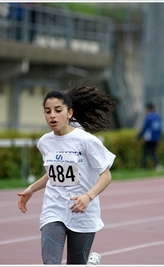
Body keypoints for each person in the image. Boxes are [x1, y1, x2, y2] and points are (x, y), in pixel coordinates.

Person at [17, 82, 117, 265]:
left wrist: (88, 197)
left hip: (82, 212)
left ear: (69, 113)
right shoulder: (44, 142)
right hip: (53, 209)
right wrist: (32, 189)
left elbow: (106, 175)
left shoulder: (86, 141)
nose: (52, 115)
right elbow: (53, 173)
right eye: (48, 111)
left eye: (57, 110)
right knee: (50, 262)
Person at [136, 103, 163, 171]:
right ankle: (157, 165)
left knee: (145, 152)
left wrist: (139, 136)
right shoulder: (158, 117)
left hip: (150, 138)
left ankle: (143, 167)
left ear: (149, 109)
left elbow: (145, 128)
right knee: (153, 152)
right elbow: (160, 128)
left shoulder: (149, 117)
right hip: (156, 138)